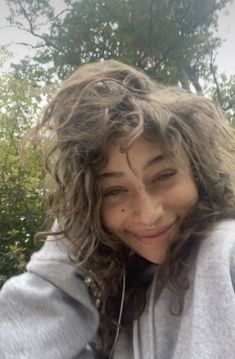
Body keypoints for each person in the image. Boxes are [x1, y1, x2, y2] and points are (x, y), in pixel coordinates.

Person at [1, 60, 235, 359]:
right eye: (114, 191)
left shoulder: (226, 250)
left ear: (198, 170)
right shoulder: (123, 295)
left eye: (163, 176)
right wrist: (74, 227)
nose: (149, 214)